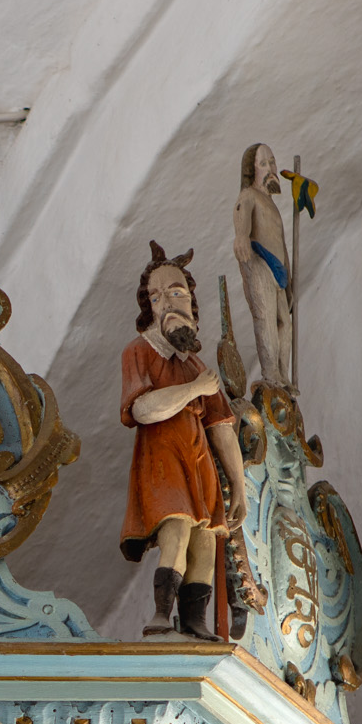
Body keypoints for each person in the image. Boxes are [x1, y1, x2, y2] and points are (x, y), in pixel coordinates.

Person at [118, 240, 249, 639]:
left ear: (191, 301)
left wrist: (239, 486)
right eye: (157, 297)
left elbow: (221, 427)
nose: (167, 304)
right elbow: (142, 409)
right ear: (149, 308)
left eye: (176, 293)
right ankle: (162, 615)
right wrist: (194, 390)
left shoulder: (196, 365)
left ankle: (195, 621)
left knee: (205, 540)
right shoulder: (140, 352)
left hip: (198, 460)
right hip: (163, 457)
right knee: (175, 529)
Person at [233, 143, 293, 391]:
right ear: (251, 171)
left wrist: (289, 280)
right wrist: (241, 236)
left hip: (279, 269)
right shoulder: (249, 195)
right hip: (259, 260)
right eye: (263, 164)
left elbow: (282, 243)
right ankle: (271, 374)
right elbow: (242, 216)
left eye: (273, 162)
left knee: (285, 324)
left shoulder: (271, 203)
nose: (271, 168)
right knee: (266, 319)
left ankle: (283, 375)